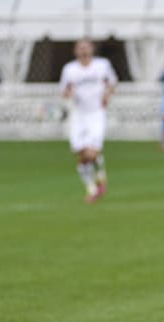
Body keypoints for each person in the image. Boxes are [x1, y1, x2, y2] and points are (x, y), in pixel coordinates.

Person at [60, 38, 118, 203]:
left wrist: (107, 94)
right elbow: (64, 90)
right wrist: (68, 94)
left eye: (86, 47)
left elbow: (112, 82)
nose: (83, 51)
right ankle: (92, 188)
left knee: (91, 152)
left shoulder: (102, 65)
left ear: (92, 49)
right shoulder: (69, 69)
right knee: (82, 155)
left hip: (96, 113)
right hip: (78, 115)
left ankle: (100, 177)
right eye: (80, 48)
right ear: (75, 51)